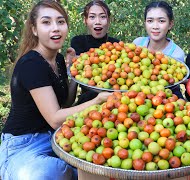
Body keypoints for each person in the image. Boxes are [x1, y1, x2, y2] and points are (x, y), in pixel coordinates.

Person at [0, 1, 111, 179]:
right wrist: (97, 101)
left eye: (60, 22)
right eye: (46, 22)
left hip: (54, 136)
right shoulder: (32, 64)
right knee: (44, 174)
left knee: (96, 162)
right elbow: (54, 118)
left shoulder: (57, 59)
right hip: (24, 143)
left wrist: (74, 74)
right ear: (34, 29)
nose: (55, 28)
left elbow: (65, 103)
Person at [69, 0, 119, 104]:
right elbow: (76, 78)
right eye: (92, 17)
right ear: (85, 20)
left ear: (109, 20)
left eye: (102, 16)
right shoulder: (78, 42)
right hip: (86, 103)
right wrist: (71, 66)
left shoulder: (116, 45)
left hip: (113, 103)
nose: (98, 21)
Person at [133, 1, 186, 99]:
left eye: (161, 21)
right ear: (145, 23)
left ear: (170, 24)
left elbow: (171, 83)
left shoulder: (176, 53)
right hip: (135, 96)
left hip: (165, 99)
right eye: (150, 21)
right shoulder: (137, 44)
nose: (155, 26)